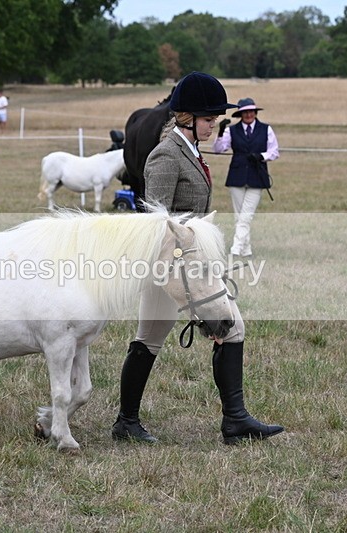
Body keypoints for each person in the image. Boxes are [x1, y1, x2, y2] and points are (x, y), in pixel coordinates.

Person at [111, 72, 284, 446]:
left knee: (231, 327)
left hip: (195, 263)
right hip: (171, 267)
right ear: (187, 117)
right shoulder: (165, 156)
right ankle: (126, 422)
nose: (214, 125)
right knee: (149, 340)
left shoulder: (190, 149)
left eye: (215, 119)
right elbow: (156, 223)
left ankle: (235, 419)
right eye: (209, 119)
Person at [212, 98, 279, 258]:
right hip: (237, 176)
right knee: (240, 216)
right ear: (240, 114)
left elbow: (274, 151)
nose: (248, 115)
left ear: (255, 112)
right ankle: (246, 250)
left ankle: (235, 249)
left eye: (251, 111)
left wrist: (261, 156)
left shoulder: (266, 129)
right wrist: (220, 133)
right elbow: (218, 149)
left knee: (246, 215)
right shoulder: (232, 130)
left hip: (257, 176)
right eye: (245, 112)